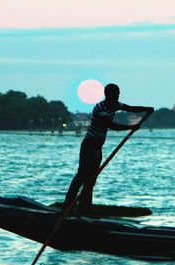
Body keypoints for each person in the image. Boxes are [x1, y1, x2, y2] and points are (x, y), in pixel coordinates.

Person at [62, 83, 154, 214]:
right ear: (108, 95)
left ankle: (84, 210)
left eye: (118, 94)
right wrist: (131, 127)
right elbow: (111, 125)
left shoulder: (115, 105)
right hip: (89, 145)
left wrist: (147, 109)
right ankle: (66, 208)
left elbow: (130, 108)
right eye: (115, 94)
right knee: (81, 176)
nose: (117, 96)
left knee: (91, 180)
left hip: (98, 146)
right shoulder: (101, 108)